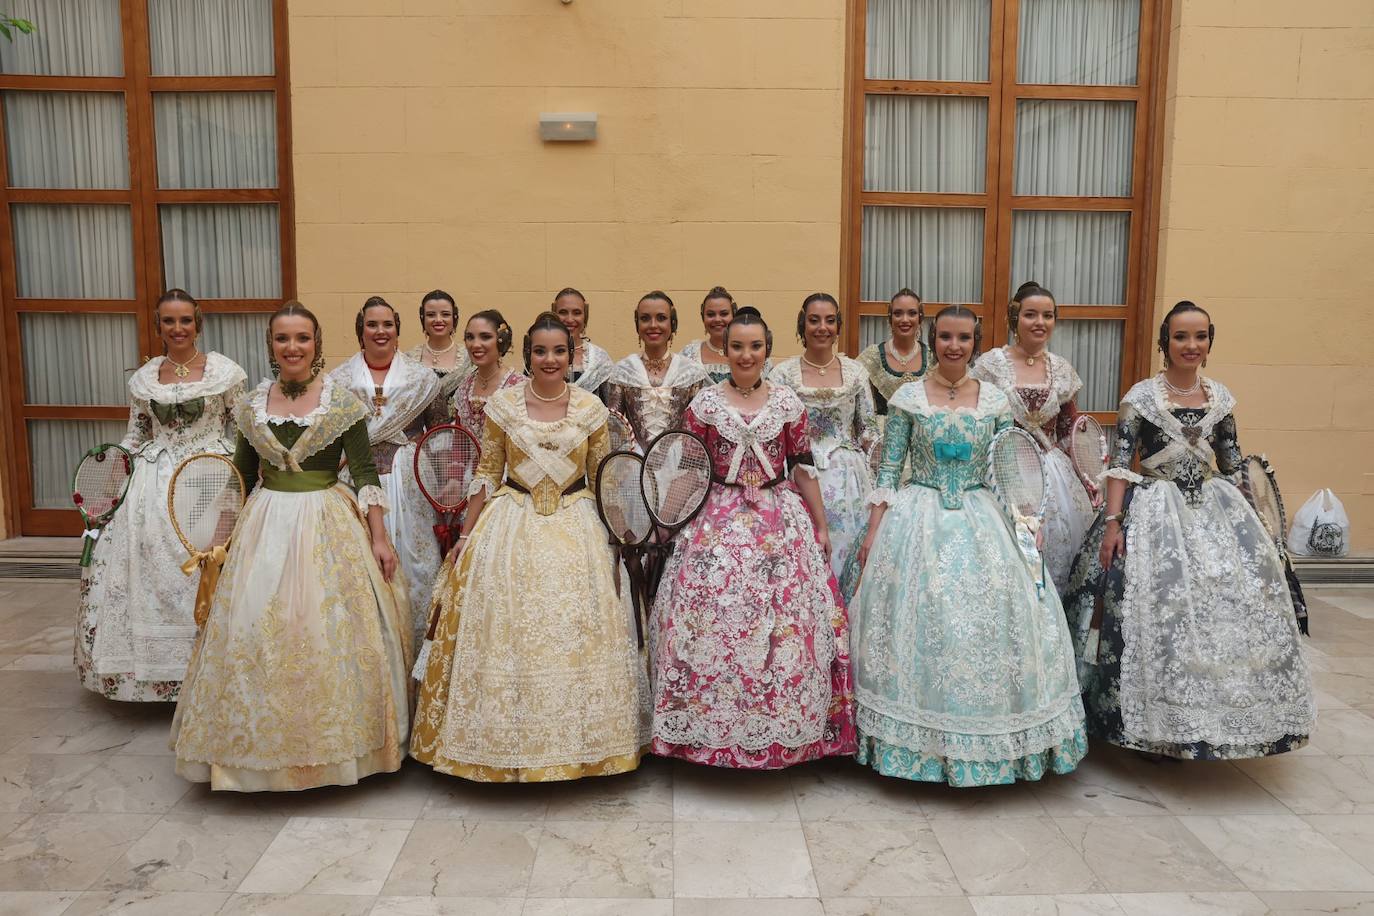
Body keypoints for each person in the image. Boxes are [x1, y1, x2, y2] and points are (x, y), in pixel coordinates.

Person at [170, 302, 410, 791]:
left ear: (316, 343)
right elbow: (239, 478)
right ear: (271, 346)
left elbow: (364, 472)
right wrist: (219, 542)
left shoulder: (342, 404)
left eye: (302, 338)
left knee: (323, 628)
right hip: (266, 522)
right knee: (255, 625)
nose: (293, 347)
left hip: (328, 519)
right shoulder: (251, 406)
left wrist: (380, 537)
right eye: (283, 339)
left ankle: (335, 750)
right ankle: (256, 751)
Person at [1061, 301, 1316, 760]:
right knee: (1157, 610)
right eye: (1181, 336)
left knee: (1230, 610)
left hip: (1215, 511)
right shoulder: (1140, 398)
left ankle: (1222, 720)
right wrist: (1114, 523)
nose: (1191, 345)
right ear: (1165, 343)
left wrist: (1260, 522)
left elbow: (1233, 461)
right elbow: (1121, 464)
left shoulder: (1221, 398)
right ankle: (1155, 724)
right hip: (1155, 511)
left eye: (1200, 337)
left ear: (1210, 342)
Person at [848, 305, 1087, 787]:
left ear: (975, 343)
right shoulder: (909, 398)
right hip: (919, 517)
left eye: (962, 338)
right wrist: (874, 530)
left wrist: (1026, 521)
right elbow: (890, 469)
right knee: (924, 616)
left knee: (1002, 611)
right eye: (945, 338)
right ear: (933, 341)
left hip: (984, 518)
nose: (953, 346)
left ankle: (993, 737)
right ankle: (915, 738)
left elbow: (1009, 466)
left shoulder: (996, 401)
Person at [411, 313, 650, 781]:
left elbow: (605, 477)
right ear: (528, 354)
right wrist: (464, 536)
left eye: (559, 351)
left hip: (577, 523)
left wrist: (621, 536)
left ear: (571, 354)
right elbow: (487, 472)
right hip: (511, 524)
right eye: (540, 351)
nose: (550, 359)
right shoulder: (503, 407)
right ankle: (503, 745)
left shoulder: (590, 409)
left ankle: (583, 747)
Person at [648, 307, 857, 769]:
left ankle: (782, 728)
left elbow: (801, 467)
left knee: (783, 628)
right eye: (737, 346)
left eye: (755, 346)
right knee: (714, 617)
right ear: (725, 350)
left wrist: (820, 525)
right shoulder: (704, 404)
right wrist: (667, 521)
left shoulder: (788, 403)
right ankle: (706, 730)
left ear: (767, 349)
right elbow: (688, 467)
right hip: (716, 520)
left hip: (779, 521)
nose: (746, 355)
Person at [76, 289, 246, 701]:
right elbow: (136, 435)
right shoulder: (144, 378)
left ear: (198, 323)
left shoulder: (226, 372)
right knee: (148, 564)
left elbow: (242, 430)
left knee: (212, 560)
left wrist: (242, 481)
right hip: (154, 483)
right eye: (169, 321)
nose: (178, 328)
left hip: (208, 476)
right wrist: (115, 485)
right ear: (159, 327)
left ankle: (215, 672)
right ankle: (156, 677)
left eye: (185, 320)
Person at [329, 297, 441, 646]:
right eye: (372, 325)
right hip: (355, 481)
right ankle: (371, 650)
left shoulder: (422, 379)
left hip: (409, 480)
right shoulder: (338, 381)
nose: (380, 331)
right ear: (360, 331)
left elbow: (438, 435)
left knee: (415, 562)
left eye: (387, 325)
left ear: (398, 330)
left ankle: (418, 648)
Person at [971, 282, 1095, 591]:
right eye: (1031, 315)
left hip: (1054, 473)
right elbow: (979, 422)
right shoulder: (990, 366)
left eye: (1048, 316)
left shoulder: (1062, 369)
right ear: (1015, 319)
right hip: (1004, 470)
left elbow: (1069, 428)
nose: (1040, 323)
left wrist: (1088, 478)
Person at [769, 293, 879, 580]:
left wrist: (881, 480)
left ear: (838, 326)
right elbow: (774, 430)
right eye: (814, 320)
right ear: (802, 326)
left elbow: (868, 429)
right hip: (800, 474)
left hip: (849, 480)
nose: (822, 327)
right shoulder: (782, 375)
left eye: (830, 321)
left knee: (850, 554)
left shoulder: (856, 372)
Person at [603, 291, 709, 452]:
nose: (653, 325)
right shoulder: (623, 371)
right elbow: (614, 427)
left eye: (661, 318)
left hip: (680, 466)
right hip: (632, 465)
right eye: (645, 318)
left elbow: (697, 430)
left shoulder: (690, 372)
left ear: (673, 323)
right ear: (637, 325)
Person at [406, 289, 472, 429]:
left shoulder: (470, 359)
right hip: (419, 442)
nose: (438, 320)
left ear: (454, 318)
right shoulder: (408, 360)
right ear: (422, 319)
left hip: (461, 440)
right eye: (431, 315)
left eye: (445, 314)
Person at [855, 288, 928, 415]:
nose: (905, 320)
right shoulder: (873, 357)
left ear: (920, 318)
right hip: (882, 432)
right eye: (898, 313)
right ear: (890, 318)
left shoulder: (933, 357)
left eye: (912, 313)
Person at [450, 309, 525, 432]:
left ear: (502, 340)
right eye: (470, 337)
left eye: (485, 337)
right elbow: (459, 444)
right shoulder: (464, 388)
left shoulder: (520, 387)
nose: (475, 344)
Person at [552, 287, 615, 395]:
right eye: (563, 312)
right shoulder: (540, 356)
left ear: (585, 317)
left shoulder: (600, 360)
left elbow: (609, 407)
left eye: (577, 313)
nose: (570, 319)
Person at [677, 286, 738, 384]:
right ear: (703, 318)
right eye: (710, 314)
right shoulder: (689, 354)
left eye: (724, 314)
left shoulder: (749, 352)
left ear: (734, 316)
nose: (717, 319)